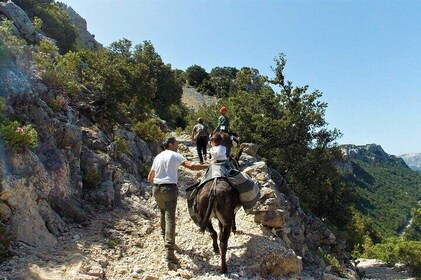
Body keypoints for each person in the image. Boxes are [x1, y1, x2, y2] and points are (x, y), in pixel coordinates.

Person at [147, 137, 208, 265]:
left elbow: (150, 177)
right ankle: (170, 251)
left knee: (162, 213)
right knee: (170, 218)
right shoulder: (174, 155)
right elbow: (191, 166)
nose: (178, 144)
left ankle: (165, 239)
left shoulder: (157, 157)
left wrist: (158, 183)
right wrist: (208, 165)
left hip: (156, 188)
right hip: (169, 188)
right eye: (176, 143)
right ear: (171, 144)